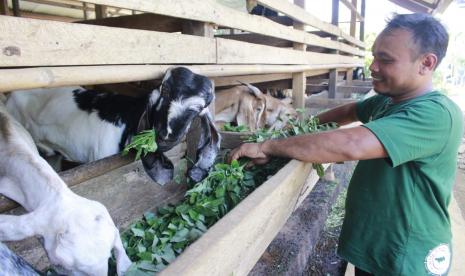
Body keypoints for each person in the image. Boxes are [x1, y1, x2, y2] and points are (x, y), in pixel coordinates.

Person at [228, 13, 464, 276]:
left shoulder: (436, 114)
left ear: (426, 63)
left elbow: (351, 143)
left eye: (385, 59)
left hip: (408, 257)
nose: (373, 66)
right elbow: (349, 111)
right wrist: (301, 130)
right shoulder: (388, 101)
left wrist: (268, 146)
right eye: (374, 56)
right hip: (375, 247)